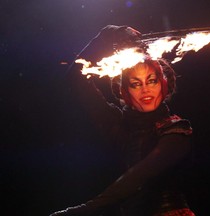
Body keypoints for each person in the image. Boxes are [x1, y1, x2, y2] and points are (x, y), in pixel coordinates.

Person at [50, 25, 195, 216]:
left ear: (164, 86)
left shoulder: (176, 131)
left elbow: (138, 177)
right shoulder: (118, 125)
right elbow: (75, 77)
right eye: (136, 84)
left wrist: (83, 210)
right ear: (124, 91)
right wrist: (106, 36)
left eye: (152, 81)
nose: (145, 90)